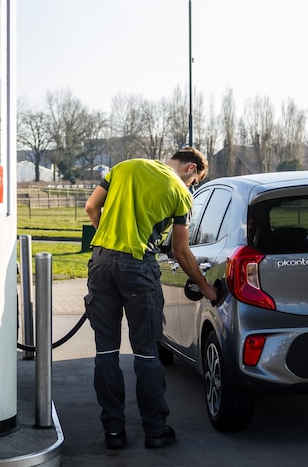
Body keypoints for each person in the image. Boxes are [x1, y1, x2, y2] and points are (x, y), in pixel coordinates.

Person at [83, 147, 218, 450]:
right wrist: (206, 287)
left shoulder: (124, 166)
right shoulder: (181, 193)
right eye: (196, 181)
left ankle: (114, 432)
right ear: (191, 169)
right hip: (138, 270)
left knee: (106, 353)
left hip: (101, 265)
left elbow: (92, 207)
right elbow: (181, 251)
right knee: (146, 354)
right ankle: (155, 431)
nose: (193, 186)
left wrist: (107, 238)